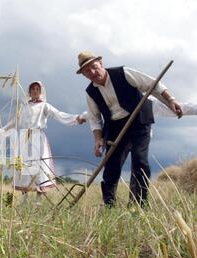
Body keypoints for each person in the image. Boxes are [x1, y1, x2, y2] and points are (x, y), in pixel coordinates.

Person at [77, 51, 183, 207]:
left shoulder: (123, 73)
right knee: (111, 165)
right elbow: (95, 119)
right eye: (87, 71)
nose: (92, 72)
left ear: (101, 63)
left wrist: (170, 100)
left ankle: (138, 204)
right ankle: (108, 204)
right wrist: (98, 139)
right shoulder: (90, 93)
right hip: (115, 126)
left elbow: (152, 84)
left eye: (94, 67)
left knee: (140, 161)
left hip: (138, 120)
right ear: (84, 75)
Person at [0, 81, 86, 203]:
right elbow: (13, 122)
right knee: (24, 166)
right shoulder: (23, 107)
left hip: (38, 138)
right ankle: (24, 198)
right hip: (24, 140)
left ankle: (38, 200)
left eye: (37, 89)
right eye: (32, 89)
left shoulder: (45, 105)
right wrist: (0, 132)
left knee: (39, 167)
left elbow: (58, 114)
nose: (35, 91)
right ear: (29, 91)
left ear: (41, 91)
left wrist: (76, 118)